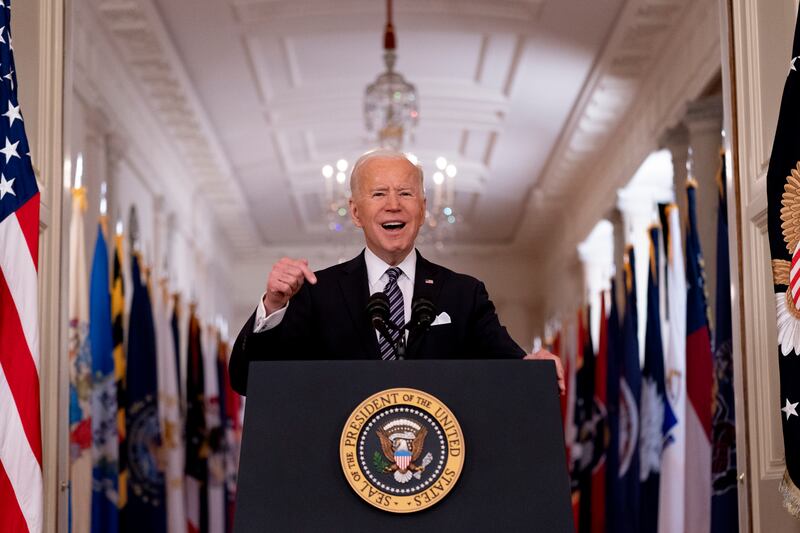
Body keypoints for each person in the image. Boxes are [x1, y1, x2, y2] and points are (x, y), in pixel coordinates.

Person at [228, 149, 564, 395]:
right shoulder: (317, 292)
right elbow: (247, 380)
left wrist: (535, 366)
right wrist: (273, 304)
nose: (394, 204)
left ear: (422, 208)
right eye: (378, 194)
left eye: (405, 193)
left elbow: (513, 368)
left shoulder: (463, 294)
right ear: (356, 212)